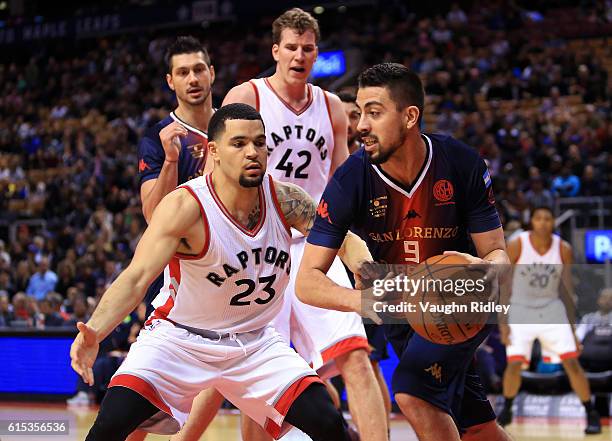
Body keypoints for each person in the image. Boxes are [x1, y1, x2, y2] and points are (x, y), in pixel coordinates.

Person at [71, 103, 368, 441]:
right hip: (179, 340)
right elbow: (136, 277)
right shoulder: (185, 207)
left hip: (255, 343)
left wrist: (365, 268)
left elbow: (343, 240)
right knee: (110, 425)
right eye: (239, 143)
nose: (252, 152)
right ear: (214, 151)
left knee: (329, 423)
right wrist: (94, 330)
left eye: (259, 143)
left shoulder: (286, 200)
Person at [296, 62, 512, 441]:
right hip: (398, 308)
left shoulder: (460, 163)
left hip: (457, 301)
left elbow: (497, 253)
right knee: (477, 427)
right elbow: (307, 281)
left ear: (410, 116)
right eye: (360, 112)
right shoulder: (351, 179)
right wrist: (363, 300)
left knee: (413, 390)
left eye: (374, 113)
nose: (361, 124)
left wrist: (480, 272)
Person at [223, 8, 386, 441]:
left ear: (316, 53)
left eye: (307, 48)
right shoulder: (248, 96)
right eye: (291, 47)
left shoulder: (332, 106)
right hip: (259, 248)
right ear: (276, 50)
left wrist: (353, 246)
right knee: (257, 379)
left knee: (355, 355)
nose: (299, 55)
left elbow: (341, 182)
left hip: (315, 244)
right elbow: (220, 170)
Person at [133, 35, 223, 441]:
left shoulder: (236, 127)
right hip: (179, 272)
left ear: (212, 73)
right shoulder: (159, 137)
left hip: (230, 267)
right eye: (183, 72)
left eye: (198, 69)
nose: (192, 79)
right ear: (171, 81)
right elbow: (153, 214)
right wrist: (171, 161)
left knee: (228, 373)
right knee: (139, 403)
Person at [498, 206, 601, 434]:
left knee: (572, 362)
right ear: (531, 221)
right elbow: (504, 285)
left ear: (553, 222)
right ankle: (507, 407)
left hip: (551, 308)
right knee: (514, 363)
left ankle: (590, 411)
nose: (543, 223)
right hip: (520, 308)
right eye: (538, 218)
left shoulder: (563, 249)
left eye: (547, 218)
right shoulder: (518, 244)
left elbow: (567, 289)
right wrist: (503, 322)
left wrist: (573, 330)